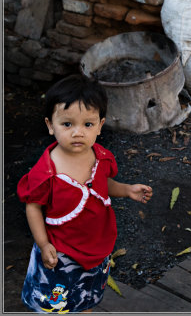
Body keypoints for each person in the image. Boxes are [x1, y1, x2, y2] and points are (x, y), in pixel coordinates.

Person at [17, 74, 153, 313]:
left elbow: (103, 184)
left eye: (87, 124)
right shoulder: (46, 172)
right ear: (50, 126)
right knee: (56, 303)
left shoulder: (100, 157)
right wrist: (43, 243)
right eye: (67, 124)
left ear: (100, 126)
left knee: (86, 296)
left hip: (96, 246)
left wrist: (126, 190)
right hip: (61, 252)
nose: (78, 132)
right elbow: (33, 207)